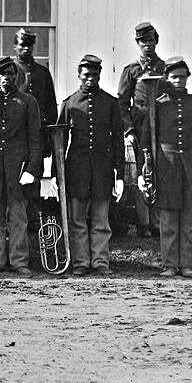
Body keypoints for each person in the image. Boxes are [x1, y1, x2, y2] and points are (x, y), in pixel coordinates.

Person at [140, 57, 192, 277]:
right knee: (169, 219)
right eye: (174, 77)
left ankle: (187, 265)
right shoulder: (158, 107)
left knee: (190, 219)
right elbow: (147, 140)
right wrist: (148, 170)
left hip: (191, 168)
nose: (178, 81)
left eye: (182, 77)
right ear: (167, 78)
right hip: (166, 168)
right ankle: (170, 264)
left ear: (187, 78)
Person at [56, 55, 125, 276]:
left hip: (102, 170)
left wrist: (120, 174)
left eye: (94, 75)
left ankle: (100, 261)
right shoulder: (69, 104)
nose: (90, 79)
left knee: (100, 220)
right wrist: (57, 177)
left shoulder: (110, 103)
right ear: (78, 75)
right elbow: (59, 143)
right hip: (76, 170)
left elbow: (118, 142)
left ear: (99, 76)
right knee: (77, 220)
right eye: (86, 75)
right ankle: (80, 262)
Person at [0, 57, 42, 276]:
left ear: (16, 76)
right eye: (2, 75)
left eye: (10, 74)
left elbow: (36, 139)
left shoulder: (28, 102)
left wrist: (32, 170)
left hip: (19, 167)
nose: (6, 79)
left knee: (18, 216)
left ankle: (19, 261)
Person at [119, 22, 166, 238]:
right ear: (138, 44)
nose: (147, 45)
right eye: (143, 41)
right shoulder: (131, 70)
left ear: (156, 41)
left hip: (161, 128)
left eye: (150, 40)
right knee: (139, 171)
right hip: (139, 127)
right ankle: (143, 222)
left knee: (159, 171)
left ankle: (158, 222)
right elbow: (122, 103)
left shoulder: (164, 69)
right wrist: (128, 130)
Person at [11, 28, 57, 236]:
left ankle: (33, 225)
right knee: (14, 181)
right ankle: (13, 225)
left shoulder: (42, 73)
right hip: (15, 137)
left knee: (34, 180)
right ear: (15, 46)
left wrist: (47, 138)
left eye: (29, 45)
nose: (25, 48)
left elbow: (50, 108)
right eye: (22, 44)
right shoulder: (10, 72)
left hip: (36, 137)